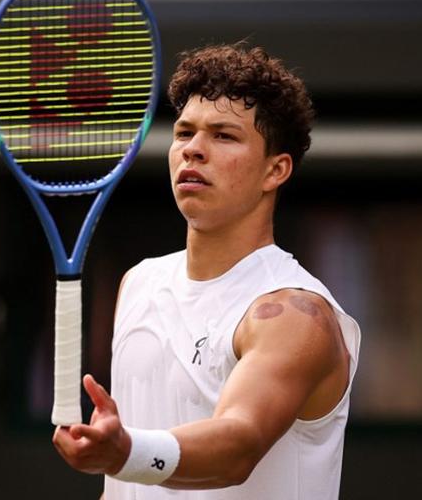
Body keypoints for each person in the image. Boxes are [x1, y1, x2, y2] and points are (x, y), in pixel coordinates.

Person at [53, 43, 361, 500]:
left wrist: (126, 453)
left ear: (275, 171)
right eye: (184, 132)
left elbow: (238, 445)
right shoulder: (139, 284)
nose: (193, 150)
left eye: (224, 136)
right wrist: (118, 462)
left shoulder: (295, 315)